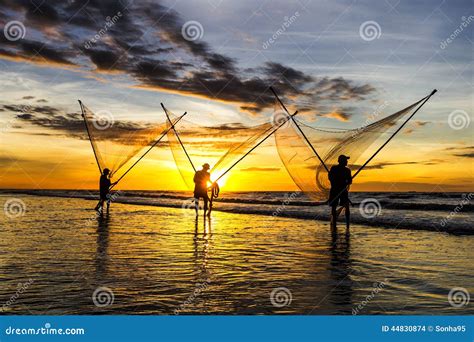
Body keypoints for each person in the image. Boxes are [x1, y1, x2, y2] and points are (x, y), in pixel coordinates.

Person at [328, 155, 352, 229]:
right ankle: (334, 224)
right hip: (335, 190)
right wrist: (337, 182)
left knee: (346, 206)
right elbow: (330, 178)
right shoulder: (334, 168)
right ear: (340, 161)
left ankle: (347, 225)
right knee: (334, 207)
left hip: (343, 190)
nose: (347, 161)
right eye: (345, 160)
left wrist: (348, 181)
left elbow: (350, 181)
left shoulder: (347, 170)